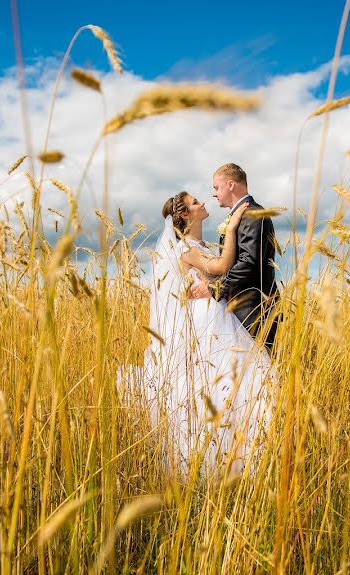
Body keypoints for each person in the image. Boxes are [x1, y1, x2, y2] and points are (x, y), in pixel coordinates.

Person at [126, 190, 274, 478]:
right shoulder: (185, 248)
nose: (203, 202)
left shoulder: (199, 244)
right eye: (195, 203)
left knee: (230, 383)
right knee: (218, 383)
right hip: (208, 320)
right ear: (184, 215)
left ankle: (237, 451)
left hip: (218, 314)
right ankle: (214, 458)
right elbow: (221, 267)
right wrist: (231, 228)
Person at [188, 163, 280, 351]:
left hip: (253, 311)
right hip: (240, 311)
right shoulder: (242, 215)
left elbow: (248, 264)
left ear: (230, 185)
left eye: (216, 187)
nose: (214, 194)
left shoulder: (253, 214)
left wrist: (214, 287)